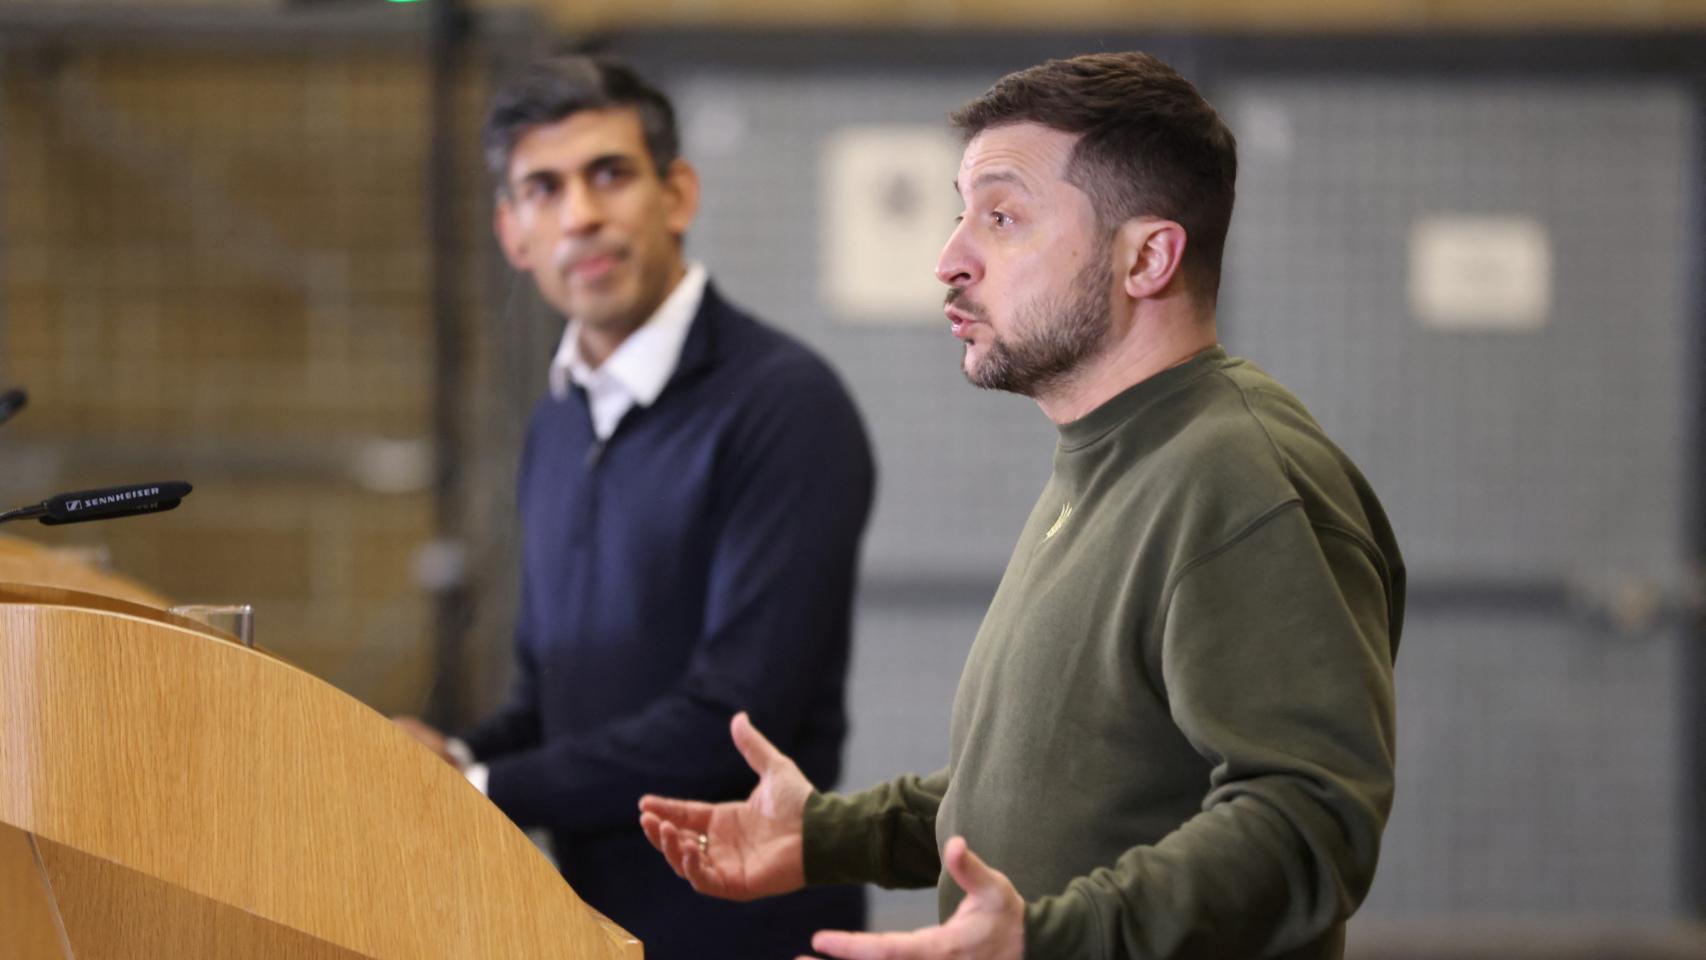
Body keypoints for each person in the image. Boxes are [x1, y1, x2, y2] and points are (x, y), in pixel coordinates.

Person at [639, 52, 1404, 960]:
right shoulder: (1113, 458)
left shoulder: (1238, 476)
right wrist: (828, 835)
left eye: (1001, 218)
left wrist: (1045, 942)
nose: (950, 260)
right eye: (961, 215)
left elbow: (1309, 822)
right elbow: (1062, 782)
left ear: (1148, 257)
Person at [393, 55, 873, 959]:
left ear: (677, 193)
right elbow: (551, 701)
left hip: (749, 932)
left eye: (609, 174)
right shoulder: (559, 421)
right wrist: (443, 758)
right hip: (587, 927)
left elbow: (733, 723)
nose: (580, 214)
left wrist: (477, 782)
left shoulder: (785, 405)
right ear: (512, 232)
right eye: (544, 188)